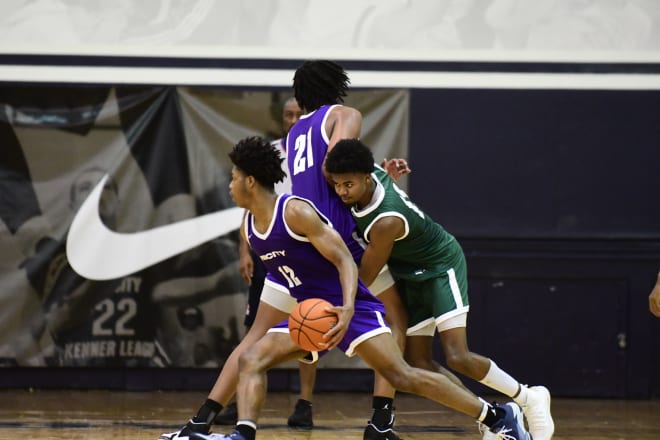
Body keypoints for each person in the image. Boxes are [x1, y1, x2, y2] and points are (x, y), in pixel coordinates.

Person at [189, 136, 531, 440]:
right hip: (315, 312)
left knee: (403, 374)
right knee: (252, 358)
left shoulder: (294, 211)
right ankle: (242, 435)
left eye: (233, 178)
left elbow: (344, 260)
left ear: (250, 181)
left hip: (351, 309)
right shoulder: (250, 227)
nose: (230, 185)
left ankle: (499, 416)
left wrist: (349, 305)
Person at [159, 60, 410, 440]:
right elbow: (337, 163)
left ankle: (199, 423)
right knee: (393, 320)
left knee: (253, 341)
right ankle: (381, 418)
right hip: (332, 240)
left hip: (292, 240)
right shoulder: (345, 114)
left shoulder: (294, 136)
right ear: (337, 86)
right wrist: (373, 180)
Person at [324, 138, 555, 440]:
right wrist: (386, 171)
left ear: (367, 178)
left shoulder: (386, 220)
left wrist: (338, 304)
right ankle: (494, 416)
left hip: (440, 265)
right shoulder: (370, 175)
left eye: (348, 185)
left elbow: (365, 275)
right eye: (338, 185)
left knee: (457, 356)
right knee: (418, 361)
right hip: (410, 273)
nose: (341, 192)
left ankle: (527, 397)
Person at [214, 97, 314, 428]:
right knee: (254, 330)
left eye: (300, 113)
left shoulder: (316, 154)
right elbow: (250, 204)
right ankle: (237, 403)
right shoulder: (270, 153)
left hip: (303, 248)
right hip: (267, 247)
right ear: (282, 119)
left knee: (309, 325)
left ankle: (304, 402)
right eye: (289, 114)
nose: (294, 118)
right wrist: (245, 250)